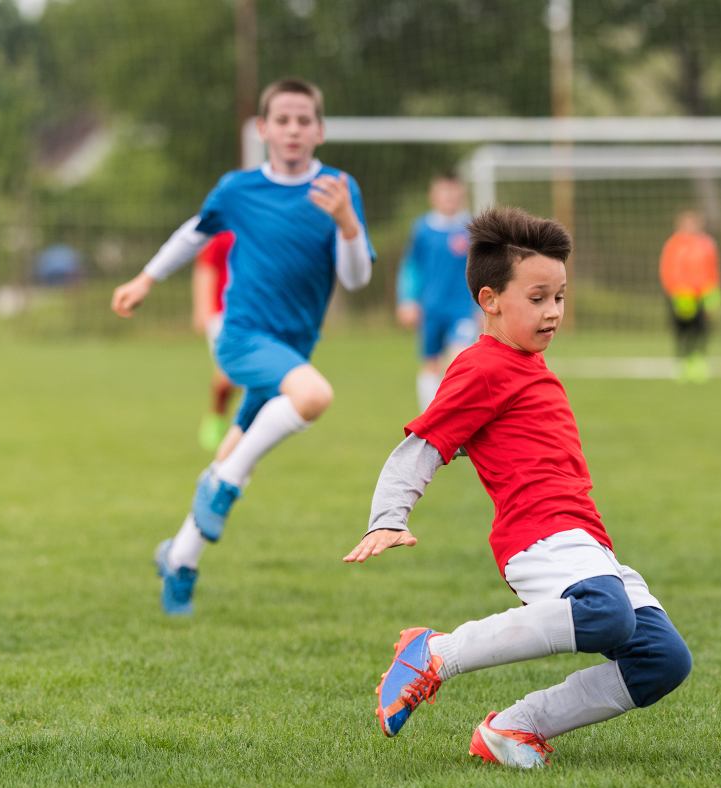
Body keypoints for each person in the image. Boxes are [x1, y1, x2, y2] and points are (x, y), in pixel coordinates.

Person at [345, 207, 691, 768]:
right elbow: (423, 446)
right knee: (606, 614)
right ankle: (435, 654)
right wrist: (389, 517)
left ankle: (514, 728)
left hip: (584, 539)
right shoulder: (481, 366)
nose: (553, 312)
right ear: (490, 300)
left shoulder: (527, 365)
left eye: (559, 297)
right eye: (537, 299)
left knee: (663, 657)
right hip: (537, 534)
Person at [111, 77, 375, 615]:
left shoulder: (338, 189)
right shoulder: (237, 189)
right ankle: (223, 486)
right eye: (283, 120)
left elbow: (356, 279)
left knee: (234, 449)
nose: (294, 129)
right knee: (314, 397)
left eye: (304, 120)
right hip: (242, 338)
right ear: (263, 129)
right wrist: (145, 279)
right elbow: (194, 232)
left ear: (319, 130)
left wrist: (347, 222)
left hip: (294, 348)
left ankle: (179, 560)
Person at [396, 173, 480, 410]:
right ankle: (429, 423)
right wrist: (407, 300)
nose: (450, 198)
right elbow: (411, 267)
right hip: (431, 308)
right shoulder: (422, 229)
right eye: (445, 192)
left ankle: (457, 421)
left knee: (458, 361)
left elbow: (483, 270)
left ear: (462, 195)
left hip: (462, 309)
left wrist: (482, 307)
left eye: (454, 192)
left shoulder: (472, 228)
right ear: (433, 196)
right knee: (431, 364)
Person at [658, 210, 721, 383]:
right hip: (681, 295)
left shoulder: (707, 244)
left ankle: (698, 361)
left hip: (702, 294)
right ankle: (681, 360)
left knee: (701, 328)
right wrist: (673, 289)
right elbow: (668, 268)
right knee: (681, 329)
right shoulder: (674, 244)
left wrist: (714, 292)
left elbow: (712, 269)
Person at [192, 231, 237, 452]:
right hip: (223, 316)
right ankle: (217, 415)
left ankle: (245, 430)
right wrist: (202, 308)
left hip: (257, 314)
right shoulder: (224, 234)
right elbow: (206, 268)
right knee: (228, 377)